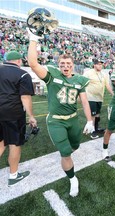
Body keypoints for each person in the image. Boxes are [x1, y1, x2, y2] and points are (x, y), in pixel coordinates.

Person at [27, 31, 94, 197]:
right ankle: (72, 179)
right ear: (59, 65)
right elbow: (33, 64)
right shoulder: (52, 76)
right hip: (56, 122)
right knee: (65, 152)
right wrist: (33, 40)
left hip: (73, 120)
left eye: (68, 63)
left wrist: (90, 120)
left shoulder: (79, 80)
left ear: (73, 65)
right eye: (62, 63)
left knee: (75, 146)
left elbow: (84, 101)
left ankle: (68, 156)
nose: (65, 66)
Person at [0, 51, 37, 186]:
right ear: (19, 61)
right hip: (13, 114)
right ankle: (13, 175)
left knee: (1, 141)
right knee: (15, 144)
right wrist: (31, 116)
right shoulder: (22, 74)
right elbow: (25, 97)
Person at [83, 58, 114, 139]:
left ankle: (96, 128)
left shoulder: (104, 74)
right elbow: (82, 82)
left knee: (97, 114)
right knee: (92, 115)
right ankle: (92, 131)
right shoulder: (88, 73)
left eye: (101, 64)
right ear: (94, 65)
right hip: (90, 97)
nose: (100, 65)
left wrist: (113, 94)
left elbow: (107, 85)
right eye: (98, 64)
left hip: (99, 97)